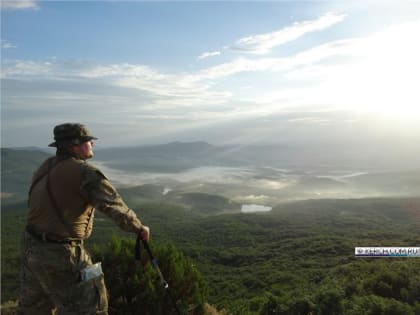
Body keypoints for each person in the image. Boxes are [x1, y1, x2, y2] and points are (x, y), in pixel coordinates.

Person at [17, 123, 150, 315]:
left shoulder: (44, 167)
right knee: (91, 307)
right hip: (62, 252)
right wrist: (139, 228)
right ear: (75, 145)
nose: (92, 144)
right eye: (89, 141)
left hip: (31, 247)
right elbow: (113, 205)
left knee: (33, 309)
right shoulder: (84, 173)